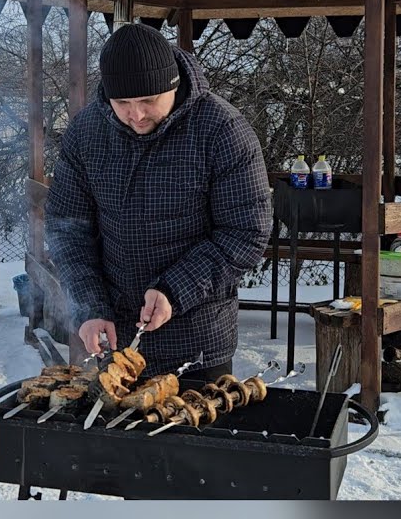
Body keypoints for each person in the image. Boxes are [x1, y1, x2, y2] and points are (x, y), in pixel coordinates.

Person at [46, 23, 272, 380]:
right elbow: (67, 230)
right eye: (123, 103)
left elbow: (246, 233)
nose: (136, 115)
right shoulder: (86, 132)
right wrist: (90, 307)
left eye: (148, 101)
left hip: (198, 343)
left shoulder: (222, 129)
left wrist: (174, 290)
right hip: (117, 338)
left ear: (173, 86)